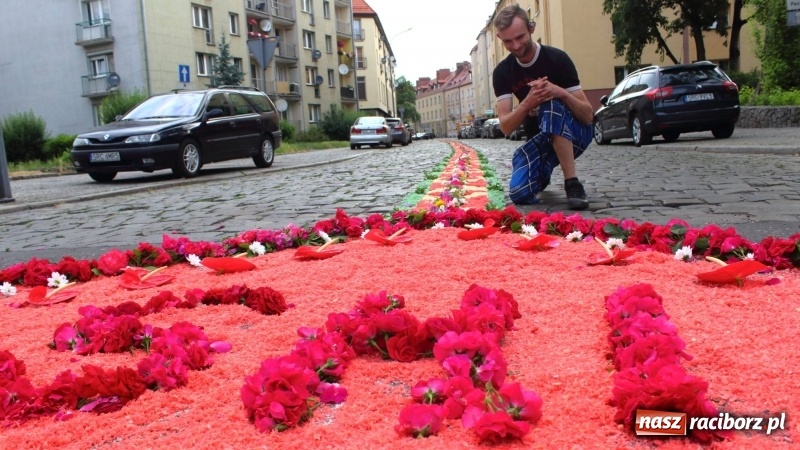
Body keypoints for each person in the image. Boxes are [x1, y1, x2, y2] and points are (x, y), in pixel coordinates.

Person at [492, 4, 594, 210]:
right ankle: (544, 171)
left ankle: (572, 183)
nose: (515, 46)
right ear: (499, 39)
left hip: (576, 134)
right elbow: (505, 127)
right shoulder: (502, 72)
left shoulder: (557, 59)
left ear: (532, 28)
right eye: (508, 41)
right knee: (519, 193)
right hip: (540, 139)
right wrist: (527, 104)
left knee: (551, 104)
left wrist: (560, 92)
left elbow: (587, 116)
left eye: (520, 37)